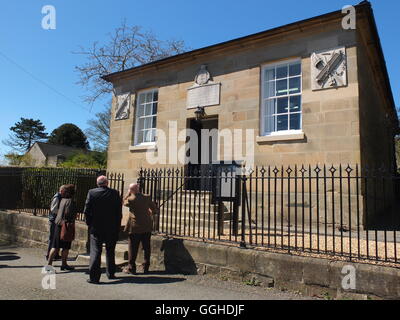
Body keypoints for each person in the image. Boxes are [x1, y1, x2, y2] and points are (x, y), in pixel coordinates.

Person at [84, 176, 122, 284]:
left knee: (96, 251)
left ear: (97, 183)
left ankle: (94, 277)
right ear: (107, 183)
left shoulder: (92, 192)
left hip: (96, 227)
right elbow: (118, 212)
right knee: (110, 251)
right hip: (111, 227)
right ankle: (111, 273)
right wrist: (117, 226)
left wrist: (89, 223)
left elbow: (87, 210)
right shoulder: (115, 193)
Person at [123, 183, 159, 275]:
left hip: (135, 227)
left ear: (131, 190)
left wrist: (127, 194)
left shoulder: (131, 199)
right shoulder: (147, 197)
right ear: (138, 188)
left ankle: (131, 267)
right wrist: (151, 212)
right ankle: (146, 266)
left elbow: (123, 202)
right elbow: (154, 209)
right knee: (146, 246)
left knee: (133, 247)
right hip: (146, 225)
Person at [47, 184, 77, 270]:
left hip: (58, 224)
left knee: (55, 246)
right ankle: (62, 264)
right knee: (65, 247)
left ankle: (52, 265)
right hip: (65, 226)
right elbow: (68, 214)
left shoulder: (62, 200)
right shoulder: (70, 201)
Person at [46, 185, 67, 260]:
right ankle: (49, 255)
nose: (66, 193)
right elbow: (53, 209)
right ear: (61, 191)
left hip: (57, 220)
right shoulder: (57, 197)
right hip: (54, 220)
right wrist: (62, 212)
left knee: (56, 239)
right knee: (52, 238)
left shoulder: (60, 197)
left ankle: (55, 254)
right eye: (65, 191)